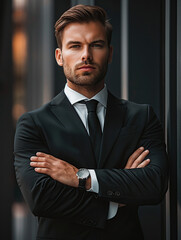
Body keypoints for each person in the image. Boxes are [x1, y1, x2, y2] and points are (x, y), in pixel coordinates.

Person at [14, 4, 168, 240]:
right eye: (75, 46)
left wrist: (80, 178)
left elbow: (154, 185)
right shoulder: (34, 124)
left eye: (96, 45)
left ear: (110, 52)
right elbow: (42, 198)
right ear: (59, 56)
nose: (86, 54)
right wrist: (117, 199)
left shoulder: (141, 117)